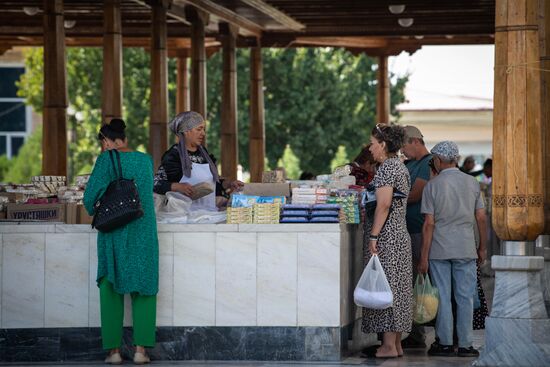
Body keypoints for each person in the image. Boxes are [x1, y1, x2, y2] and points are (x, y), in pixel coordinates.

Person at [83, 119, 158, 364]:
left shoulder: (106, 159)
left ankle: (113, 352)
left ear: (105, 141)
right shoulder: (145, 160)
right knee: (144, 287)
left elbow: (88, 200)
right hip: (143, 231)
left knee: (110, 288)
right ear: (124, 138)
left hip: (114, 232)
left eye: (102, 143)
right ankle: (140, 351)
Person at [418, 141, 488, 358]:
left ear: (438, 160)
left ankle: (445, 343)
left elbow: (429, 223)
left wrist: (424, 256)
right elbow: (481, 218)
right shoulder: (472, 183)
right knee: (465, 297)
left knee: (444, 297)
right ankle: (466, 345)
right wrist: (482, 247)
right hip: (466, 247)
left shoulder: (433, 186)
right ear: (456, 159)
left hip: (439, 249)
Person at [362, 123, 413, 358]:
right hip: (399, 235)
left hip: (388, 236)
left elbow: (383, 205)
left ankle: (389, 346)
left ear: (383, 144)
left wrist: (374, 235)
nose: (370, 148)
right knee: (397, 288)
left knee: (387, 287)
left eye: (373, 143)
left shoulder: (387, 169)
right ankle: (396, 344)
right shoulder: (399, 167)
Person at [153, 111, 243, 210]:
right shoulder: (173, 155)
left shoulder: (204, 154)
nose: (203, 133)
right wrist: (178, 186)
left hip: (209, 213)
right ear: (186, 131)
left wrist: (229, 184)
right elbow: (156, 184)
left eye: (203, 129)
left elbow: (214, 183)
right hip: (183, 216)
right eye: (199, 129)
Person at [400, 125, 431, 349]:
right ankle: (414, 330)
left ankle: (418, 332)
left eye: (404, 146)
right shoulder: (409, 164)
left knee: (419, 282)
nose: (403, 151)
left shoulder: (428, 164)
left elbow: (417, 193)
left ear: (415, 141)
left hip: (420, 230)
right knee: (410, 282)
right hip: (406, 229)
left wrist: (389, 198)